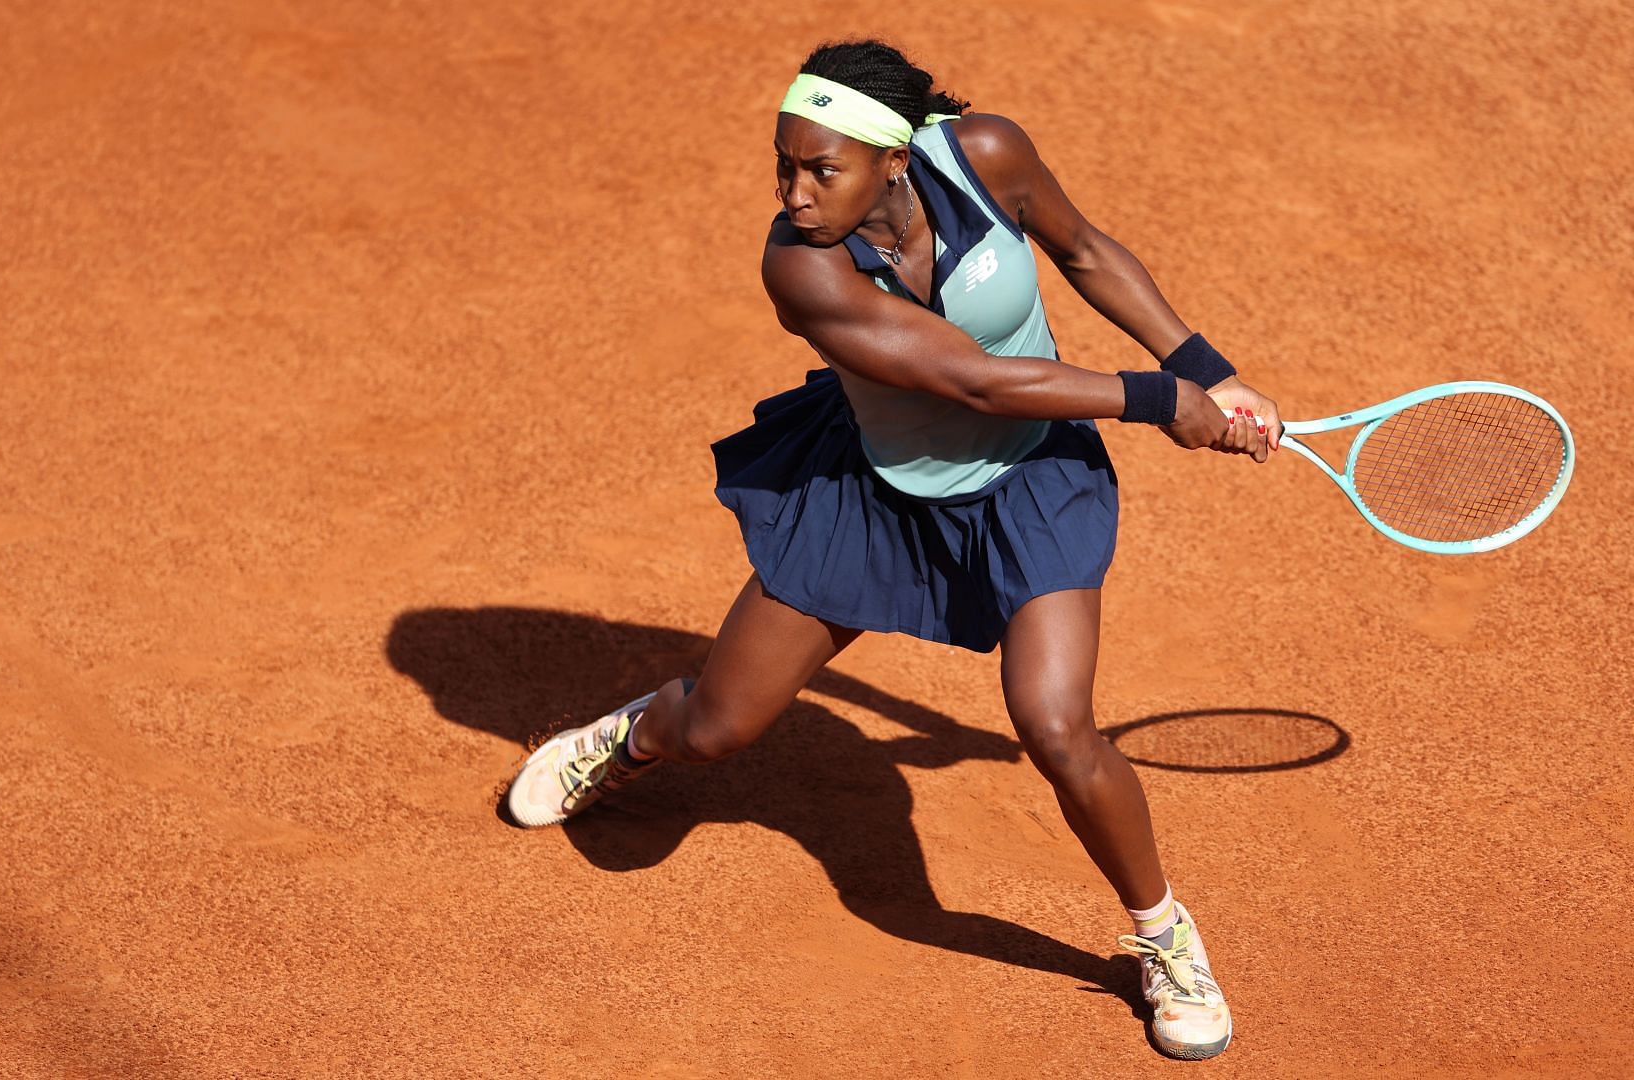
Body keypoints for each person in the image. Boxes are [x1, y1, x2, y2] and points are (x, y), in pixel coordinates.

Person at [505, 38, 1281, 1061]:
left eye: (820, 167)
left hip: (1029, 483)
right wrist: (1157, 401)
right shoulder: (801, 268)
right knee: (720, 728)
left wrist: (1207, 370)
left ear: (896, 159)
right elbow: (972, 382)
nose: (793, 191)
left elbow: (1086, 251)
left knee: (1053, 722)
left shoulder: (989, 152)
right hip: (871, 494)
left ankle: (1162, 935)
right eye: (783, 163)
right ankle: (637, 737)